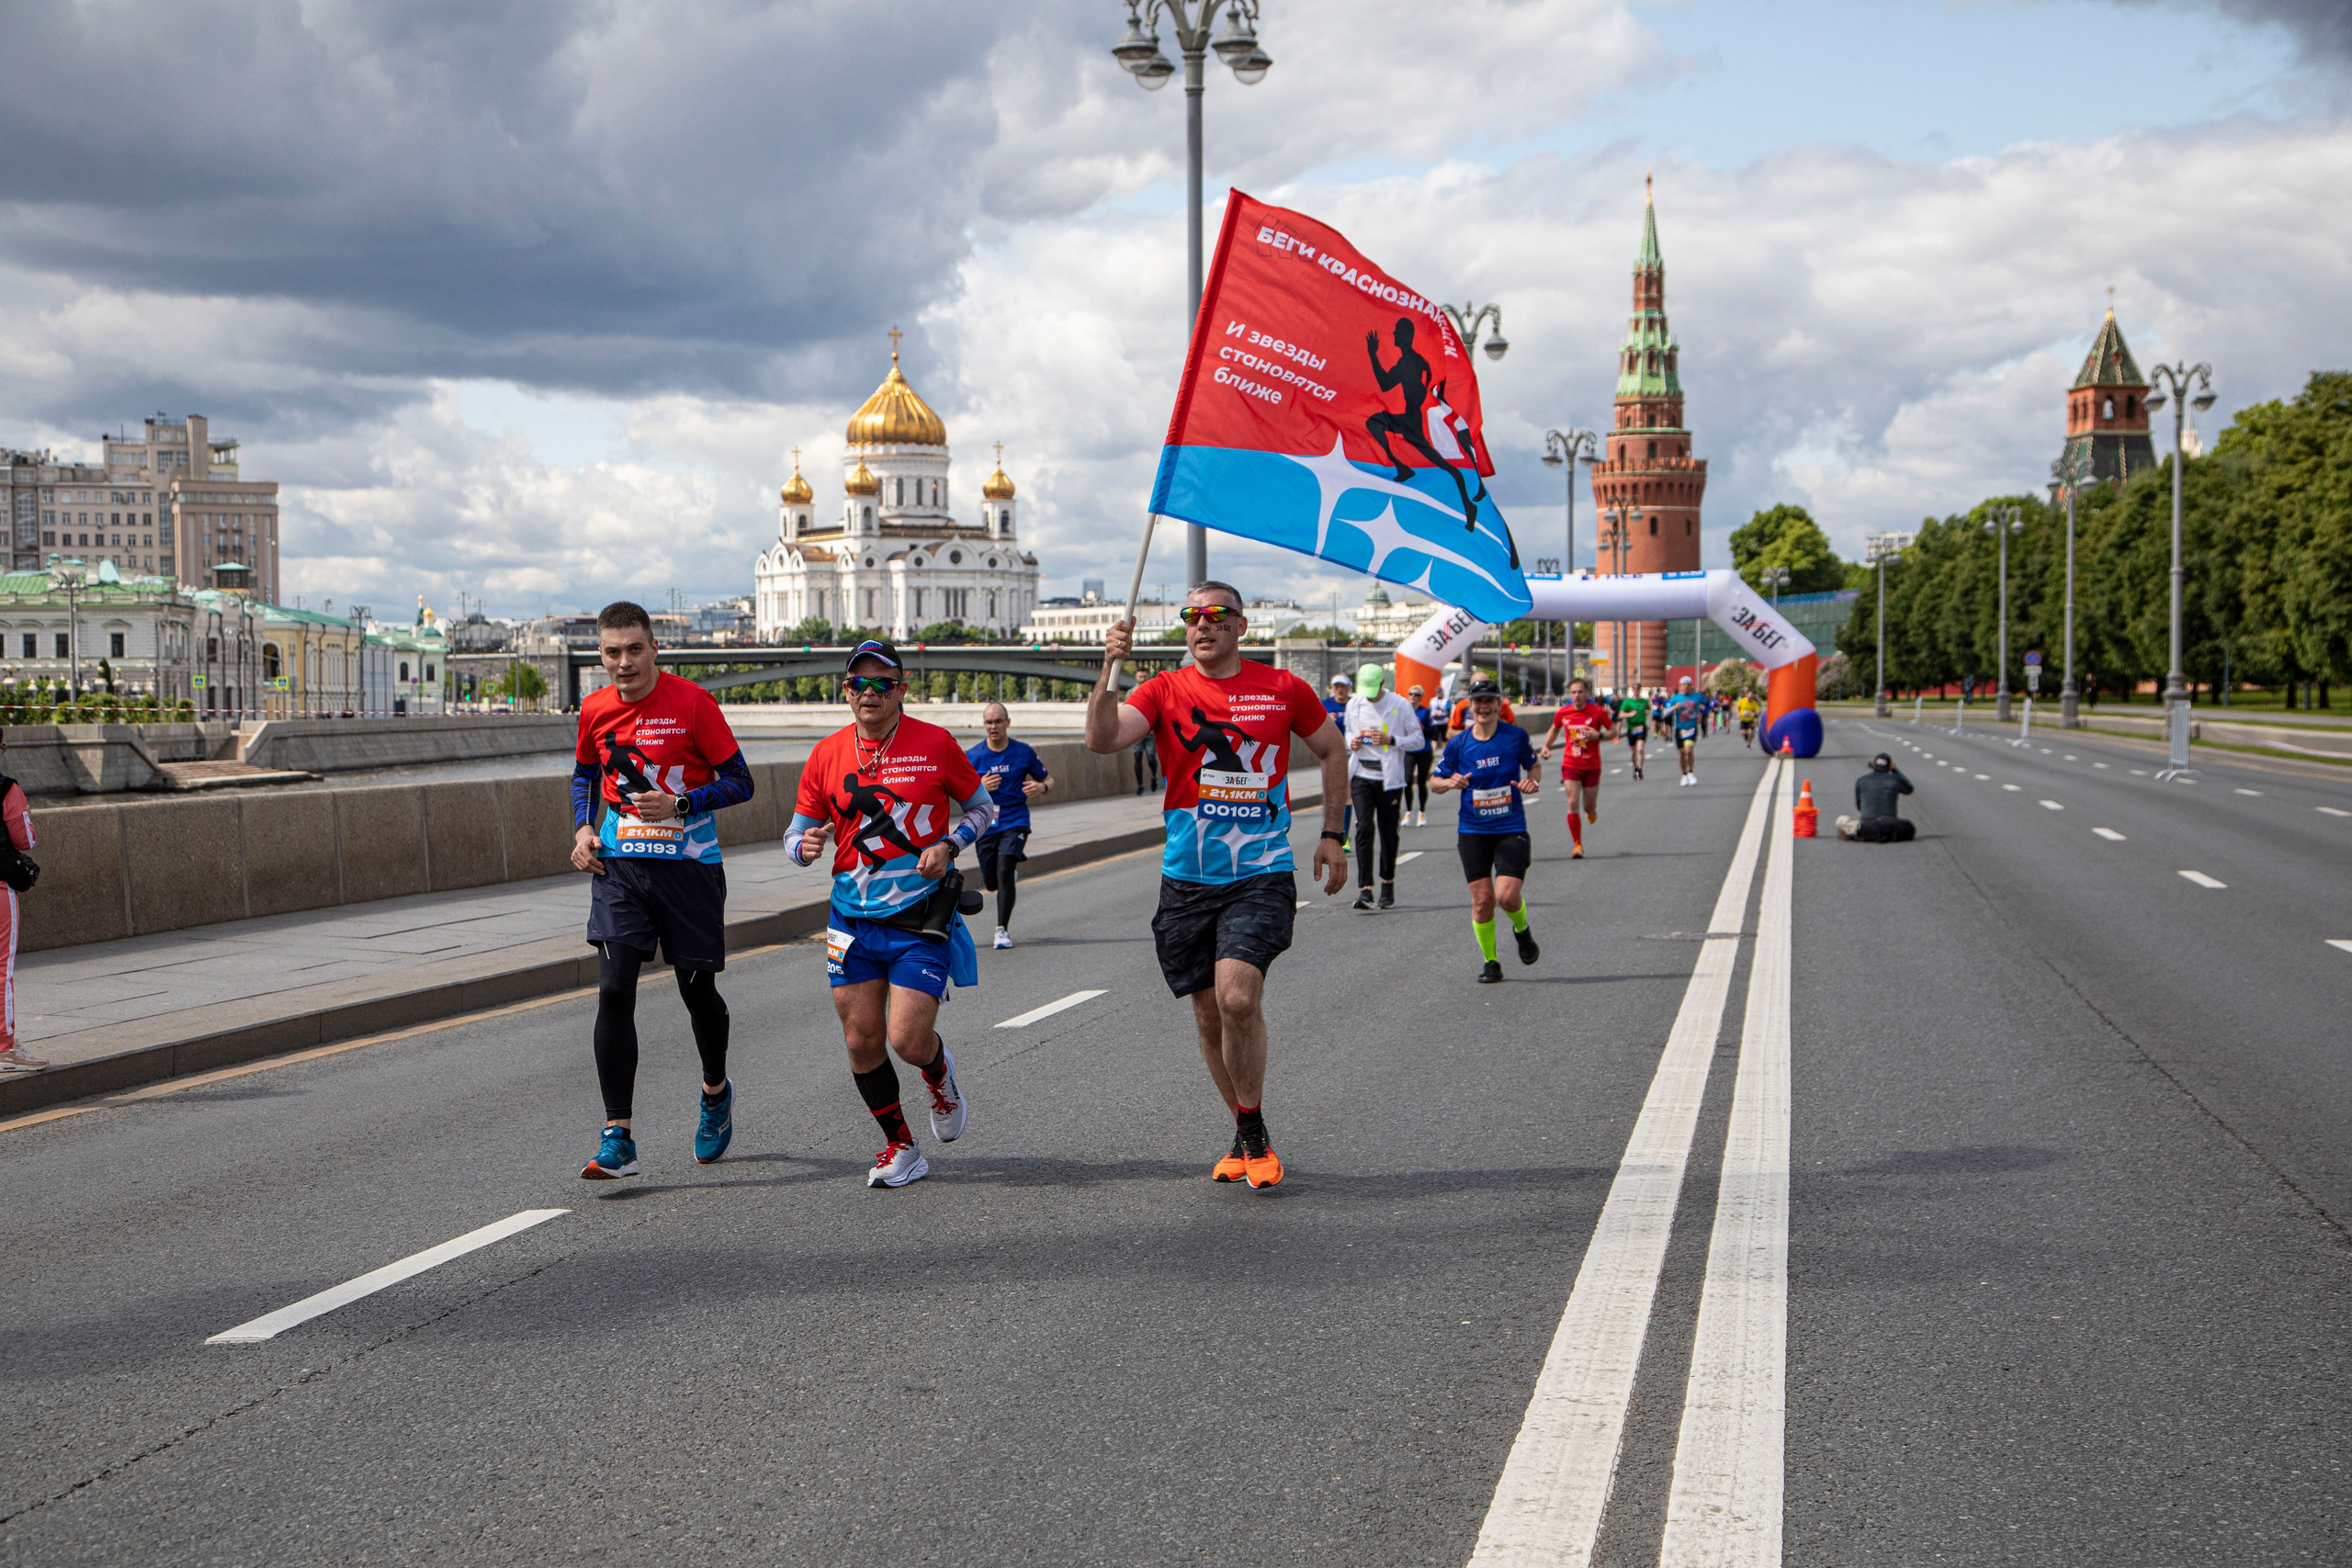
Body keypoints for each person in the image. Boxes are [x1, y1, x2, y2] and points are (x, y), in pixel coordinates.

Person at [1088, 582, 1348, 1190]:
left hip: (1259, 872)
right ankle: (1244, 1129)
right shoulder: (1163, 690)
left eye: (1216, 615)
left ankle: (1252, 1130)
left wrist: (1334, 834)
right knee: (1208, 1016)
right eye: (1191, 616)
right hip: (1187, 879)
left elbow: (1333, 750)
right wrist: (1109, 668)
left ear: (1241, 625)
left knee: (1236, 997)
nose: (1202, 625)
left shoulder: (1282, 688)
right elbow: (1101, 739)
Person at [786, 640, 996, 1189]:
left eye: (883, 684)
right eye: (860, 684)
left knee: (906, 1038)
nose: (870, 694)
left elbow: (983, 807)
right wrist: (802, 846)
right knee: (861, 1039)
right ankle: (900, 1146)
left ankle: (938, 1072)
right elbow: (794, 831)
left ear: (902, 690)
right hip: (848, 918)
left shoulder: (935, 743)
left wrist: (950, 845)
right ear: (846, 691)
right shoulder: (827, 754)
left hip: (917, 915)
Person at [571, 601, 757, 1180]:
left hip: (689, 867)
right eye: (611, 652)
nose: (623, 662)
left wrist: (681, 803)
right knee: (613, 990)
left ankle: (715, 1091)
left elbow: (740, 782)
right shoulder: (595, 709)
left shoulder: (693, 703)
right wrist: (582, 825)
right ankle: (617, 1136)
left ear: (655, 649)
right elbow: (584, 774)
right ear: (600, 656)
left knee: (697, 993)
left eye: (633, 649)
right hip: (620, 867)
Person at [1430, 679, 1541, 984]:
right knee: (1482, 901)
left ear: (1498, 704)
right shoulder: (1458, 744)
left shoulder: (1515, 737)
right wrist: (1449, 783)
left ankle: (1522, 930)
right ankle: (1491, 961)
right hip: (1473, 829)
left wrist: (1532, 781)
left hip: (1510, 826)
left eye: (1489, 701)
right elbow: (1434, 782)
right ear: (1470, 706)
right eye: (1477, 702)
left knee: (1506, 896)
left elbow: (1533, 767)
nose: (1483, 707)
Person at [1342, 660, 1428, 911]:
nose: (1369, 697)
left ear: (1383, 684)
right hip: (1361, 774)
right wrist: (1352, 743)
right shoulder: (1354, 704)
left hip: (1389, 779)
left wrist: (1392, 739)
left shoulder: (1400, 705)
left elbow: (1418, 740)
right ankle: (1365, 889)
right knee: (1364, 827)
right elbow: (1348, 733)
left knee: (1389, 832)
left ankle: (1387, 883)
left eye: (1373, 690)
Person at [967, 701, 1050, 949]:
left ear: (1008, 723)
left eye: (998, 721)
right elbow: (961, 793)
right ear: (984, 725)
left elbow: (1049, 779)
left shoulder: (1023, 752)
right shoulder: (973, 756)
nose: (994, 727)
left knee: (1004, 871)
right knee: (991, 881)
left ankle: (1002, 930)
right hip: (986, 822)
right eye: (989, 722)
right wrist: (980, 785)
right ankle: (1004, 878)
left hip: (1015, 819)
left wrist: (1041, 787)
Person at [1538, 675, 1614, 859]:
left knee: (1588, 806)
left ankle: (1591, 811)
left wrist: (1599, 736)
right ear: (1569, 694)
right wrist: (1546, 746)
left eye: (1580, 692)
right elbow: (1555, 728)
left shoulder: (1597, 712)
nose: (1577, 695)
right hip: (1571, 764)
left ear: (1587, 693)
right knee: (1572, 802)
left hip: (1592, 765)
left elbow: (1614, 731)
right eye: (1573, 692)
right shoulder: (1563, 713)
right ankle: (1577, 844)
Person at [0, 769, 42, 1072]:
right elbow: (25, 837)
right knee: (2, 966)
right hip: (0, 886)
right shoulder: (5, 787)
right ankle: (4, 1047)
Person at [1838, 753, 1917, 841]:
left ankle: (1857, 833)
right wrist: (1895, 770)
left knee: (1841, 820)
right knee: (1907, 826)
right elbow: (1909, 789)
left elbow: (1860, 807)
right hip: (1889, 824)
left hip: (1867, 825)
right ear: (1889, 766)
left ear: (1873, 765)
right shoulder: (1895, 779)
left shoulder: (1861, 780)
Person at [1405, 682, 1442, 827]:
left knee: (1421, 782)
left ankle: (1422, 812)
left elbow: (1433, 732)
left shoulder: (1425, 712)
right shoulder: (1403, 711)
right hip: (1408, 751)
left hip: (1423, 750)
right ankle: (1408, 811)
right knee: (1407, 780)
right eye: (1411, 694)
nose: (1413, 697)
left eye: (1417, 695)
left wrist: (1423, 728)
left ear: (1421, 698)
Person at [1325, 673, 1354, 850]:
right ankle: (1334, 833)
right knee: (1335, 796)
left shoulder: (1355, 704)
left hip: (1351, 754)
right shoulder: (1325, 705)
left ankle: (1344, 834)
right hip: (1331, 754)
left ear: (1349, 687)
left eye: (1343, 686)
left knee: (1346, 796)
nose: (1340, 689)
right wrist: (1327, 722)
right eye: (1336, 686)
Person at [1664, 676, 1704, 786]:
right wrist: (1674, 708)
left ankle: (1691, 772)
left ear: (1692, 686)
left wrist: (1701, 714)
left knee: (1689, 750)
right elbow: (1665, 712)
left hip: (1691, 727)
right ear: (1680, 687)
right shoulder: (1675, 698)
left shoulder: (1697, 697)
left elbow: (1708, 705)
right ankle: (1684, 774)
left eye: (1688, 685)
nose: (1686, 687)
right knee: (1682, 753)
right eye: (1683, 685)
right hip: (1680, 729)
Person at [1617, 686, 1651, 780]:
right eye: (1634, 689)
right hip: (1631, 727)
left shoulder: (1644, 701)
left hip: (1641, 726)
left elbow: (1648, 709)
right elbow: (1620, 714)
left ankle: (1640, 768)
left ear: (1640, 690)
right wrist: (1630, 714)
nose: (1636, 691)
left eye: (1638, 689)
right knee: (1633, 751)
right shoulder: (1627, 702)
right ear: (1632, 690)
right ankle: (1635, 767)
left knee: (1640, 749)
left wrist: (1647, 712)